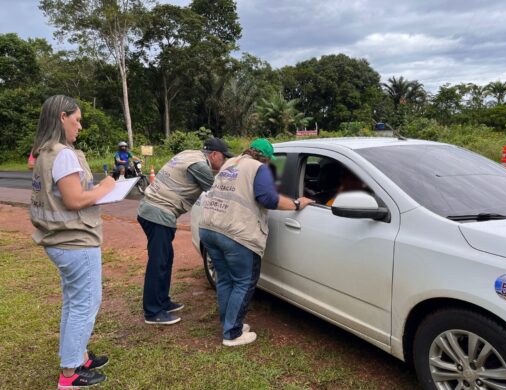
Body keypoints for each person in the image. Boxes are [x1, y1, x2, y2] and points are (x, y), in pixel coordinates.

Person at [29, 95, 116, 388]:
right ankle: (70, 373)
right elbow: (75, 199)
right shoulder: (63, 153)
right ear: (62, 117)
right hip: (75, 241)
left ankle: (77, 357)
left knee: (73, 301)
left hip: (57, 239)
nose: (80, 126)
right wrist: (106, 186)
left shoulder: (43, 153)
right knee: (85, 303)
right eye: (76, 119)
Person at [199, 138, 314, 347]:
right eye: (269, 161)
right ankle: (232, 333)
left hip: (209, 228)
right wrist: (297, 203)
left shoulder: (229, 164)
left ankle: (228, 323)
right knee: (243, 282)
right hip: (234, 233)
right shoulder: (258, 167)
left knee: (225, 279)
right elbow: (267, 199)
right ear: (265, 158)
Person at [137, 137, 232, 325]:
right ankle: (153, 312)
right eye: (224, 158)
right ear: (214, 155)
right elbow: (217, 192)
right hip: (159, 213)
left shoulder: (189, 153)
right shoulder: (200, 166)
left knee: (165, 259)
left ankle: (162, 301)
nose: (225, 162)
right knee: (158, 263)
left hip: (151, 210)